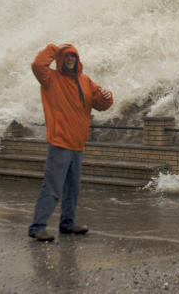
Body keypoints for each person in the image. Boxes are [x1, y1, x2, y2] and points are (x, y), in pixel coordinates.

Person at [28, 43, 113, 242]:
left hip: (77, 144)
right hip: (60, 142)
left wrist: (107, 98)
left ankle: (67, 223)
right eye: (66, 56)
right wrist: (54, 48)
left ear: (77, 60)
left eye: (73, 56)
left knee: (72, 188)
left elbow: (100, 105)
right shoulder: (50, 79)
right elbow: (37, 65)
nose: (70, 59)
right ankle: (37, 226)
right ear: (60, 58)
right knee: (53, 186)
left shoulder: (86, 81)